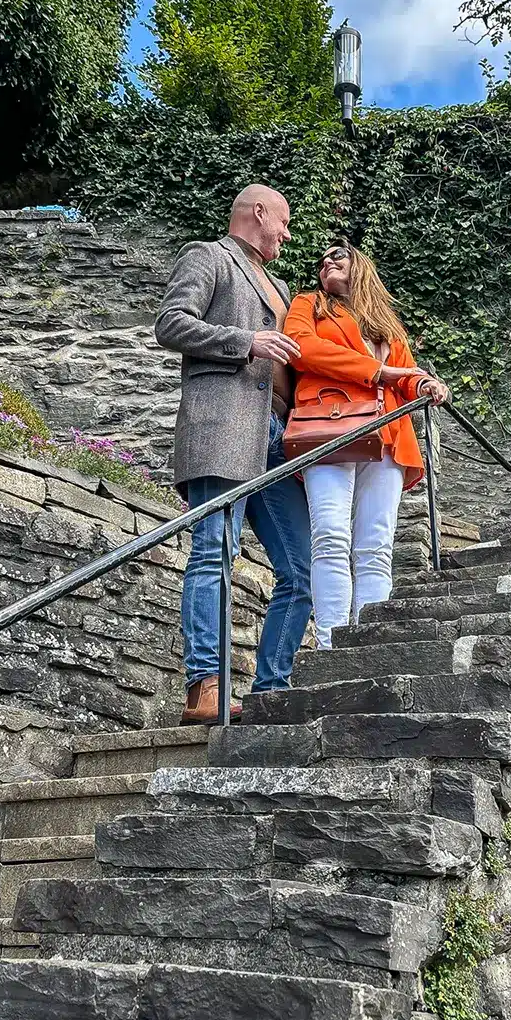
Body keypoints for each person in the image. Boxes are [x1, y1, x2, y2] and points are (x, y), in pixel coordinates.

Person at [155, 184, 313, 723]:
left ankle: (269, 689)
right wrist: (246, 341)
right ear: (259, 212)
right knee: (214, 552)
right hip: (223, 426)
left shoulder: (283, 288)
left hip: (276, 437)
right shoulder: (208, 255)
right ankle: (206, 687)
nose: (287, 236)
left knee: (300, 570)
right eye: (284, 223)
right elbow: (171, 324)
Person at [283, 239, 449, 648]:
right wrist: (378, 371)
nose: (326, 262)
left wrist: (422, 381)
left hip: (390, 435)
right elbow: (303, 348)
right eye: (321, 260)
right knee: (330, 536)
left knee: (377, 543)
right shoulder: (309, 304)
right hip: (330, 425)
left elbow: (404, 373)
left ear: (360, 267)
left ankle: (370, 641)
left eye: (337, 255)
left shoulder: (387, 324)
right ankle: (330, 643)